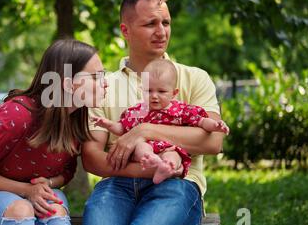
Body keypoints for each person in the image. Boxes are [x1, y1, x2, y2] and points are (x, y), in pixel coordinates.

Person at [81, 0, 226, 225]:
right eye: (150, 24)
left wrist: (143, 131)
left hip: (178, 186)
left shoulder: (194, 78)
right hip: (116, 186)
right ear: (125, 30)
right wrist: (149, 169)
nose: (161, 31)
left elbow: (212, 142)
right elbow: (92, 158)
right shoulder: (103, 86)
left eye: (166, 22)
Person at [0, 39, 107, 225]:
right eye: (96, 77)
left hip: (37, 192)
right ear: (69, 84)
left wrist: (49, 183)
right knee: (21, 210)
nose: (105, 82)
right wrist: (27, 191)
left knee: (54, 211)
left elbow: (67, 172)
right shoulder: (16, 116)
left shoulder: (77, 117)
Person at [91, 58, 229, 185]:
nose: (154, 96)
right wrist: (106, 124)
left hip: (170, 147)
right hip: (148, 149)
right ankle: (153, 162)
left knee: (174, 156)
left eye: (161, 91)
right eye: (149, 91)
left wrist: (216, 125)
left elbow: (201, 122)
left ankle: (166, 168)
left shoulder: (181, 110)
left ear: (174, 93)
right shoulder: (139, 110)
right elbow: (122, 128)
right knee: (141, 147)